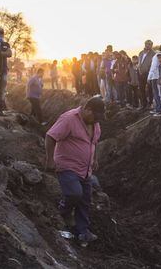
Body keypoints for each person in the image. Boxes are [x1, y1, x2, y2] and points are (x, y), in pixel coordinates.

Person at [45, 96, 105, 243]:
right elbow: (50, 136)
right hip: (67, 166)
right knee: (74, 193)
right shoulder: (69, 119)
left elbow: (94, 142)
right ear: (88, 109)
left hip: (86, 169)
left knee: (85, 200)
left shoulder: (95, 123)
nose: (96, 121)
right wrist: (50, 160)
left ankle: (82, 231)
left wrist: (95, 159)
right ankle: (63, 212)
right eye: (94, 117)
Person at [0, 27, 12, 116]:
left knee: (3, 88)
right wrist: (2, 53)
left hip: (4, 70)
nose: (0, 35)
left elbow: (9, 53)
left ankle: (2, 105)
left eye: (1, 33)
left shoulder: (5, 44)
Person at [148, 44, 161, 112]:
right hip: (160, 77)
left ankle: (159, 108)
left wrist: (149, 77)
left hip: (155, 77)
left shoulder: (156, 56)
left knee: (157, 94)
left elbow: (153, 67)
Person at [138, 40, 156, 110]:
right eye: (146, 44)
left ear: (151, 45)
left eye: (149, 44)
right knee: (141, 89)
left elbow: (153, 64)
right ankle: (143, 104)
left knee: (150, 89)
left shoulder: (153, 54)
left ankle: (150, 103)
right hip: (140, 73)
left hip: (148, 73)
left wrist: (150, 72)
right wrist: (139, 69)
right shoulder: (141, 53)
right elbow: (140, 62)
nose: (147, 45)